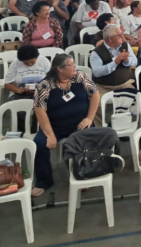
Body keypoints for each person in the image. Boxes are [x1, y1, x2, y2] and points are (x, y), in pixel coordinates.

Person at [31, 54, 100, 196]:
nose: (75, 67)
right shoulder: (45, 85)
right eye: (71, 65)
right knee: (39, 143)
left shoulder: (80, 77)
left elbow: (95, 94)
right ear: (60, 69)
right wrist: (50, 135)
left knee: (84, 139)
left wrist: (89, 118)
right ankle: (44, 181)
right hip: (54, 126)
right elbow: (40, 111)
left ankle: (82, 174)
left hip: (79, 123)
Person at [89, 24, 138, 125]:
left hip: (125, 84)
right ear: (111, 39)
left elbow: (135, 62)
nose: (122, 37)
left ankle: (127, 125)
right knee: (95, 104)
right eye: (119, 35)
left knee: (135, 98)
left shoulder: (125, 45)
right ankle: (102, 128)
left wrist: (126, 60)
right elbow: (97, 72)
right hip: (103, 86)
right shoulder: (96, 52)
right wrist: (115, 62)